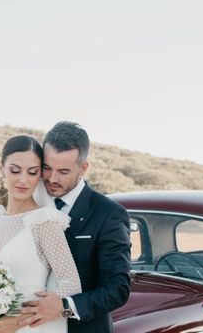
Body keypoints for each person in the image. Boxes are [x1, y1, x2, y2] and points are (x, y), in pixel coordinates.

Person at [18, 121, 132, 333]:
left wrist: (64, 307)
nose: (52, 178)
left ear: (83, 168)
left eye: (63, 171)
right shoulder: (26, 203)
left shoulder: (109, 214)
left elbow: (117, 289)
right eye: (47, 168)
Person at [0, 135, 81, 333]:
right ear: (1, 169)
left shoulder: (44, 222)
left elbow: (72, 283)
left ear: (39, 176)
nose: (23, 180)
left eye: (32, 172)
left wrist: (20, 319)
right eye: (15, 170)